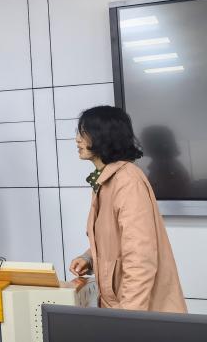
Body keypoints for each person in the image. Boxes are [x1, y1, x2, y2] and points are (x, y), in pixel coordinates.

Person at [68, 106, 186, 313]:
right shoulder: (107, 180)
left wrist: (128, 318)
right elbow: (116, 241)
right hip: (119, 306)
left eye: (84, 132)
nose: (77, 139)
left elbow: (140, 258)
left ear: (104, 136)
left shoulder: (127, 181)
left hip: (136, 310)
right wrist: (89, 258)